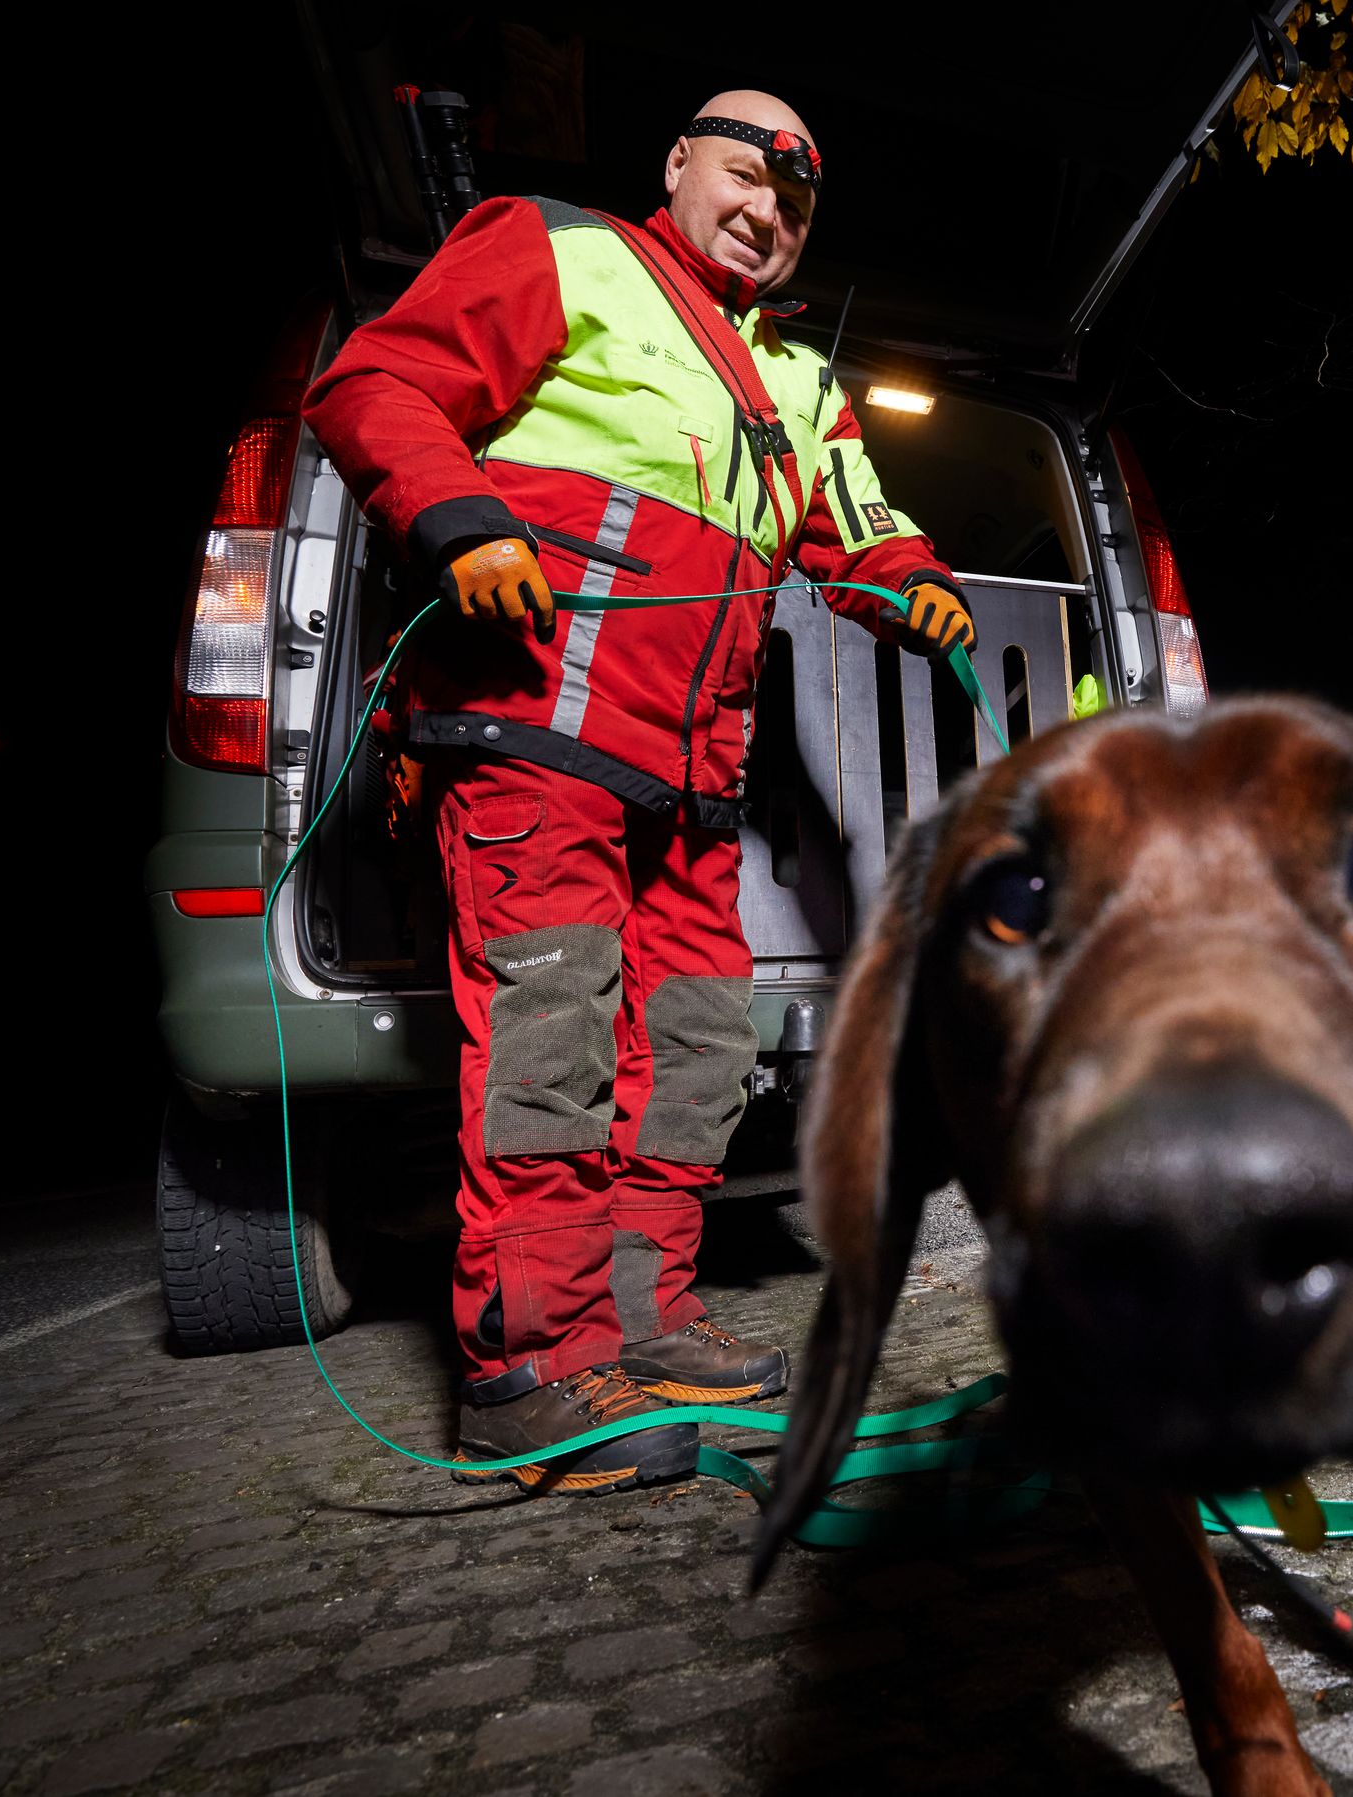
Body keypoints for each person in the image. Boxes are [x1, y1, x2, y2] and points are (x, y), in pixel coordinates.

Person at [304, 90, 979, 1491]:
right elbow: (377, 385)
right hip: (539, 733)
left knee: (695, 1045)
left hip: (692, 784)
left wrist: (911, 584)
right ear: (678, 163)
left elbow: (853, 519)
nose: (766, 216)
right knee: (552, 1038)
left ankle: (640, 1320)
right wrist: (459, 517)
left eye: (793, 207)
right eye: (745, 177)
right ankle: (529, 1373)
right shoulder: (560, 251)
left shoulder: (794, 382)